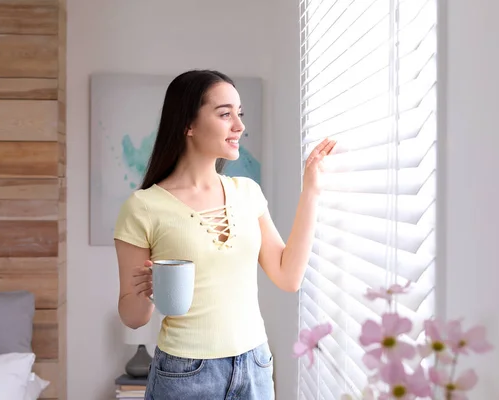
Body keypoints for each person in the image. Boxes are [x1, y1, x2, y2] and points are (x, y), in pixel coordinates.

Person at [113, 69, 336, 400]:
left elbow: (289, 276)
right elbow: (132, 318)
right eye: (224, 114)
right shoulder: (143, 207)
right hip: (184, 373)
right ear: (188, 124)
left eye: (240, 113)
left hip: (255, 366)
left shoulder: (247, 192)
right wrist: (145, 292)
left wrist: (311, 192)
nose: (239, 126)